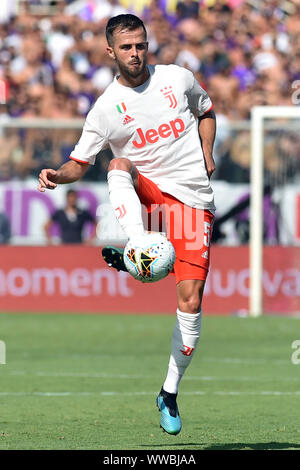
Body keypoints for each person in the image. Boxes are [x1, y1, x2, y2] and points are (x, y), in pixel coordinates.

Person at [38, 14, 216, 436]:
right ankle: (139, 246)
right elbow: (79, 164)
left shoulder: (178, 79)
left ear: (147, 44)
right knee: (118, 164)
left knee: (190, 303)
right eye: (126, 47)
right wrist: (58, 176)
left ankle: (169, 393)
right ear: (110, 52)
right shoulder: (105, 109)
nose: (135, 53)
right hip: (147, 194)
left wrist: (208, 152)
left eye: (140, 45)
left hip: (192, 202)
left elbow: (207, 111)